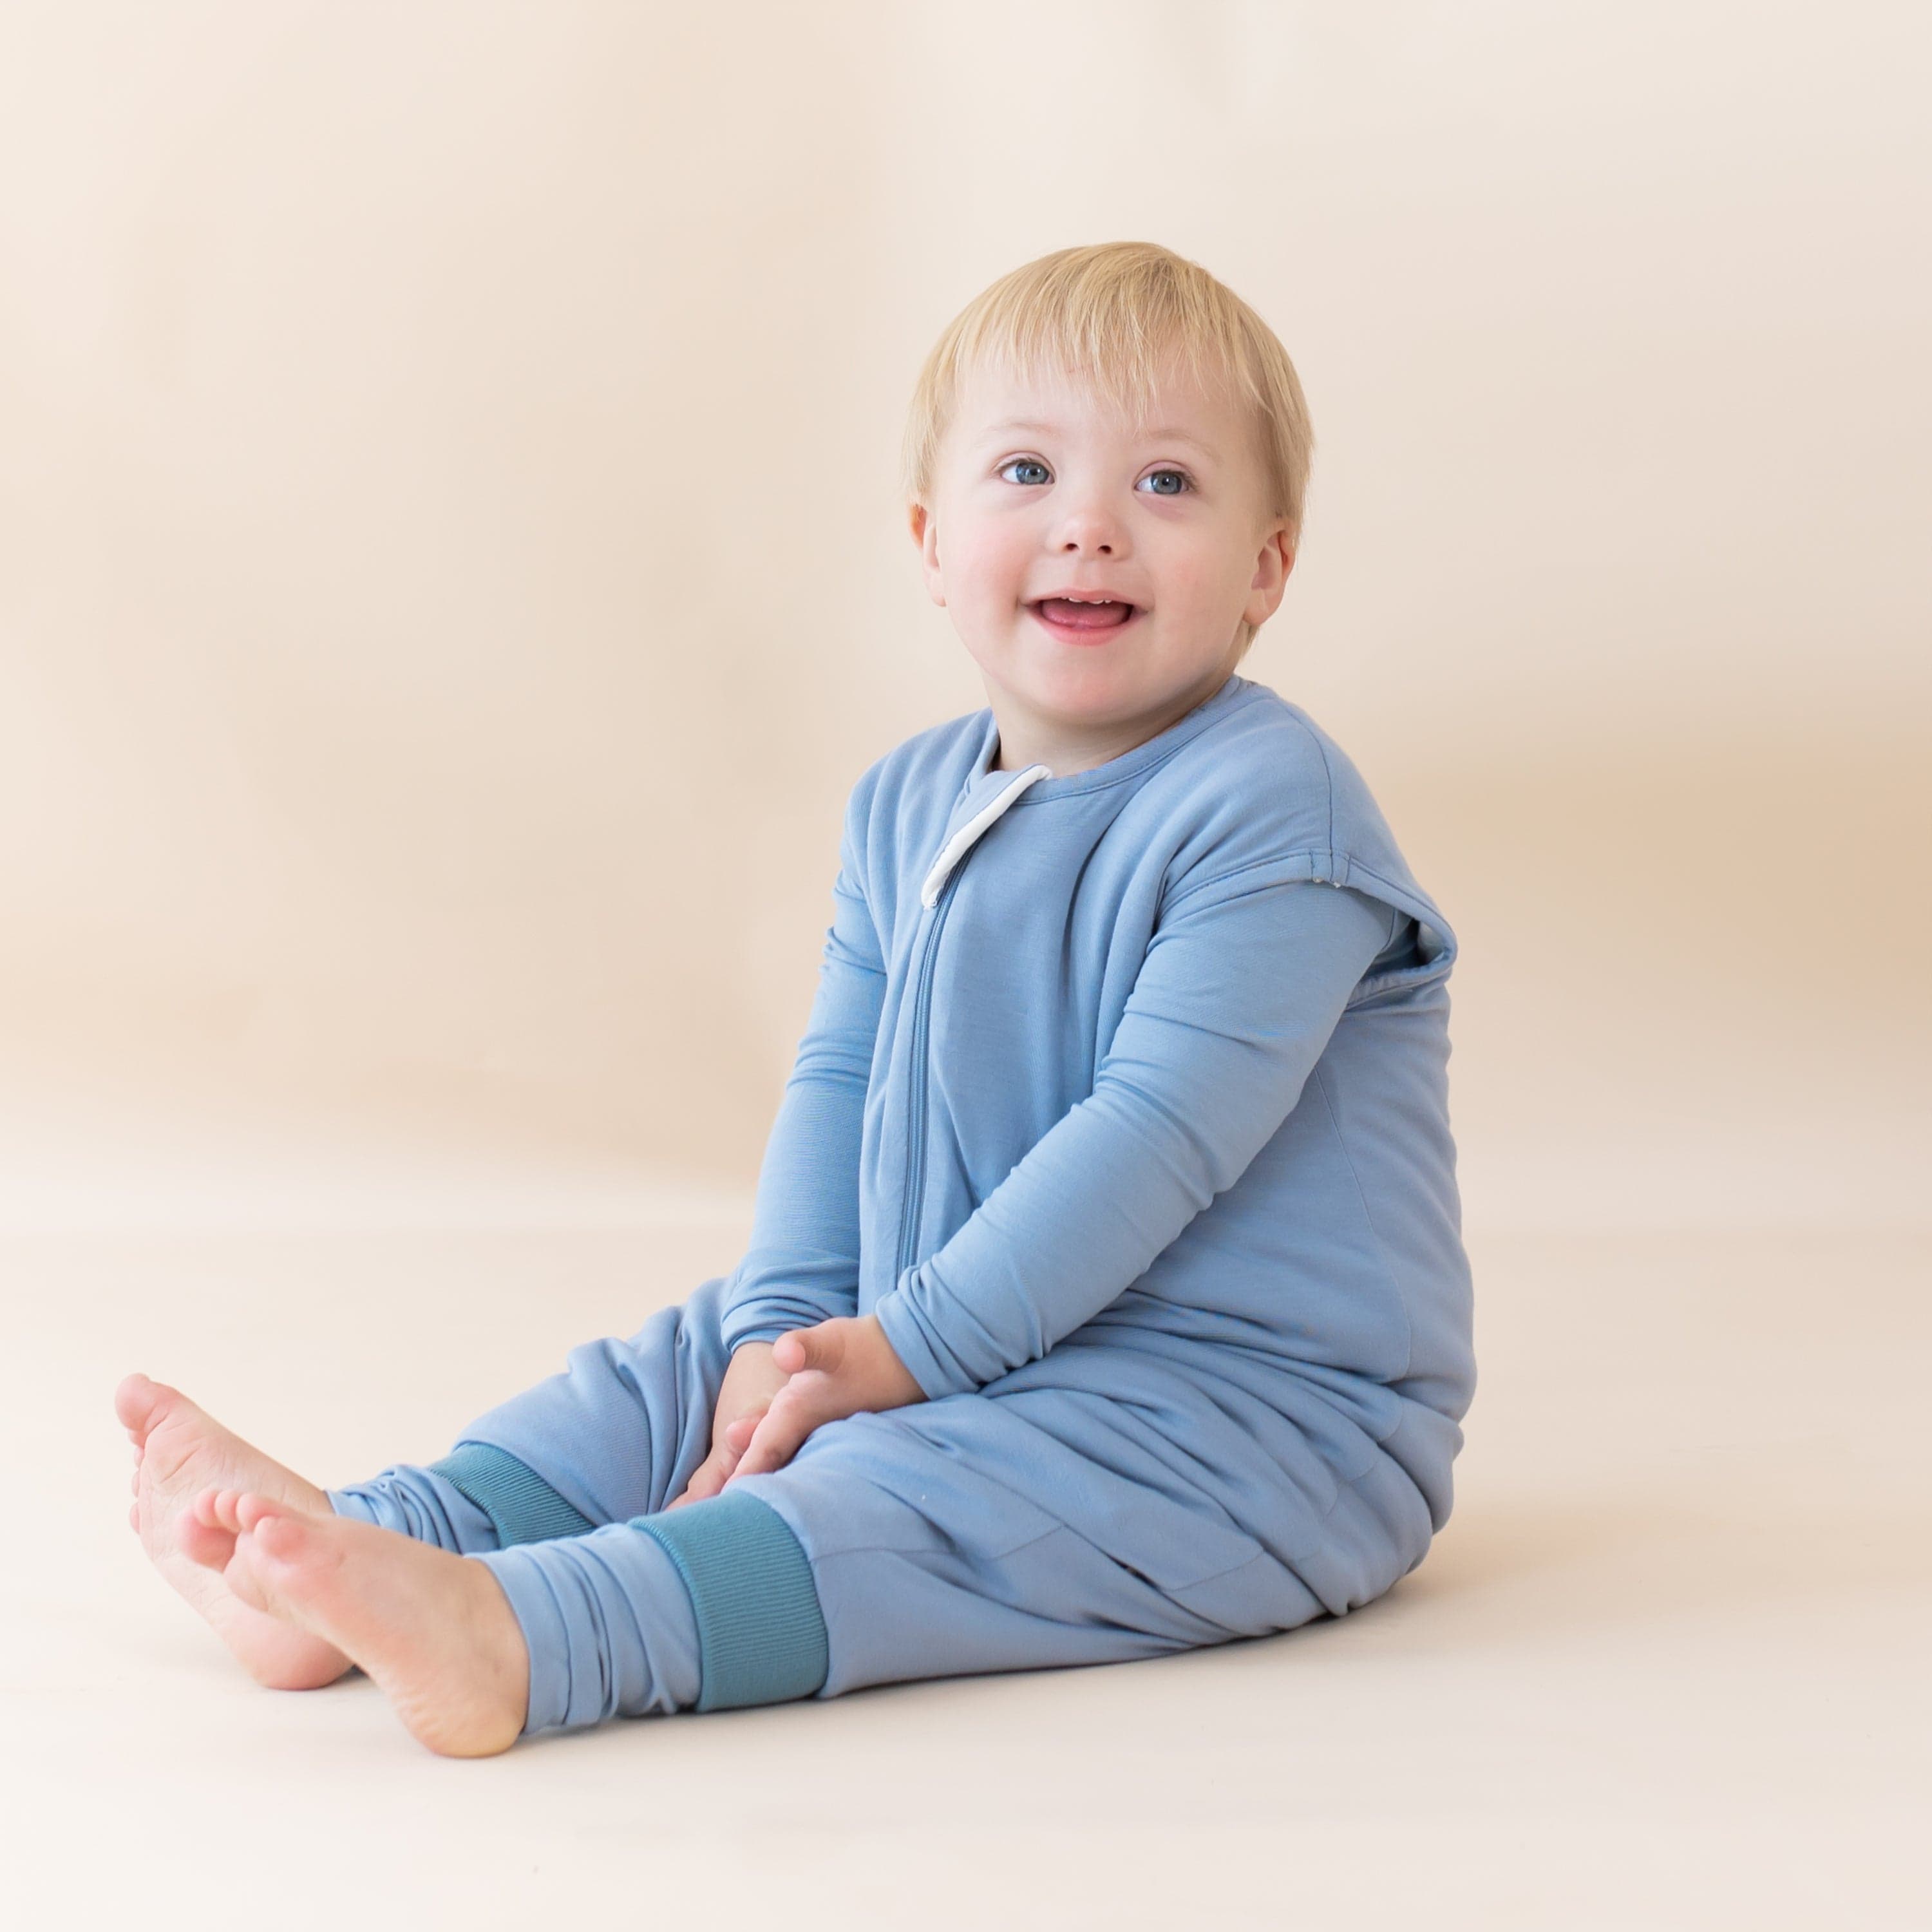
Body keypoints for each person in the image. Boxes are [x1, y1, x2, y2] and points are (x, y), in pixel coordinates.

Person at [115, 240, 1475, 1757]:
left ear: (1269, 568)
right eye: (1026, 471)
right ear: (929, 540)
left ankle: (526, 1639)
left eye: (1166, 486)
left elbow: (1152, 1136)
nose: (1089, 527)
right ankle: (368, 1549)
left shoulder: (1275, 813)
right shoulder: (905, 803)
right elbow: (839, 1085)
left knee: (891, 1502)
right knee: (677, 1378)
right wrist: (784, 1333)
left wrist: (892, 1364)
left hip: (1240, 1424)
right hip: (951, 1325)